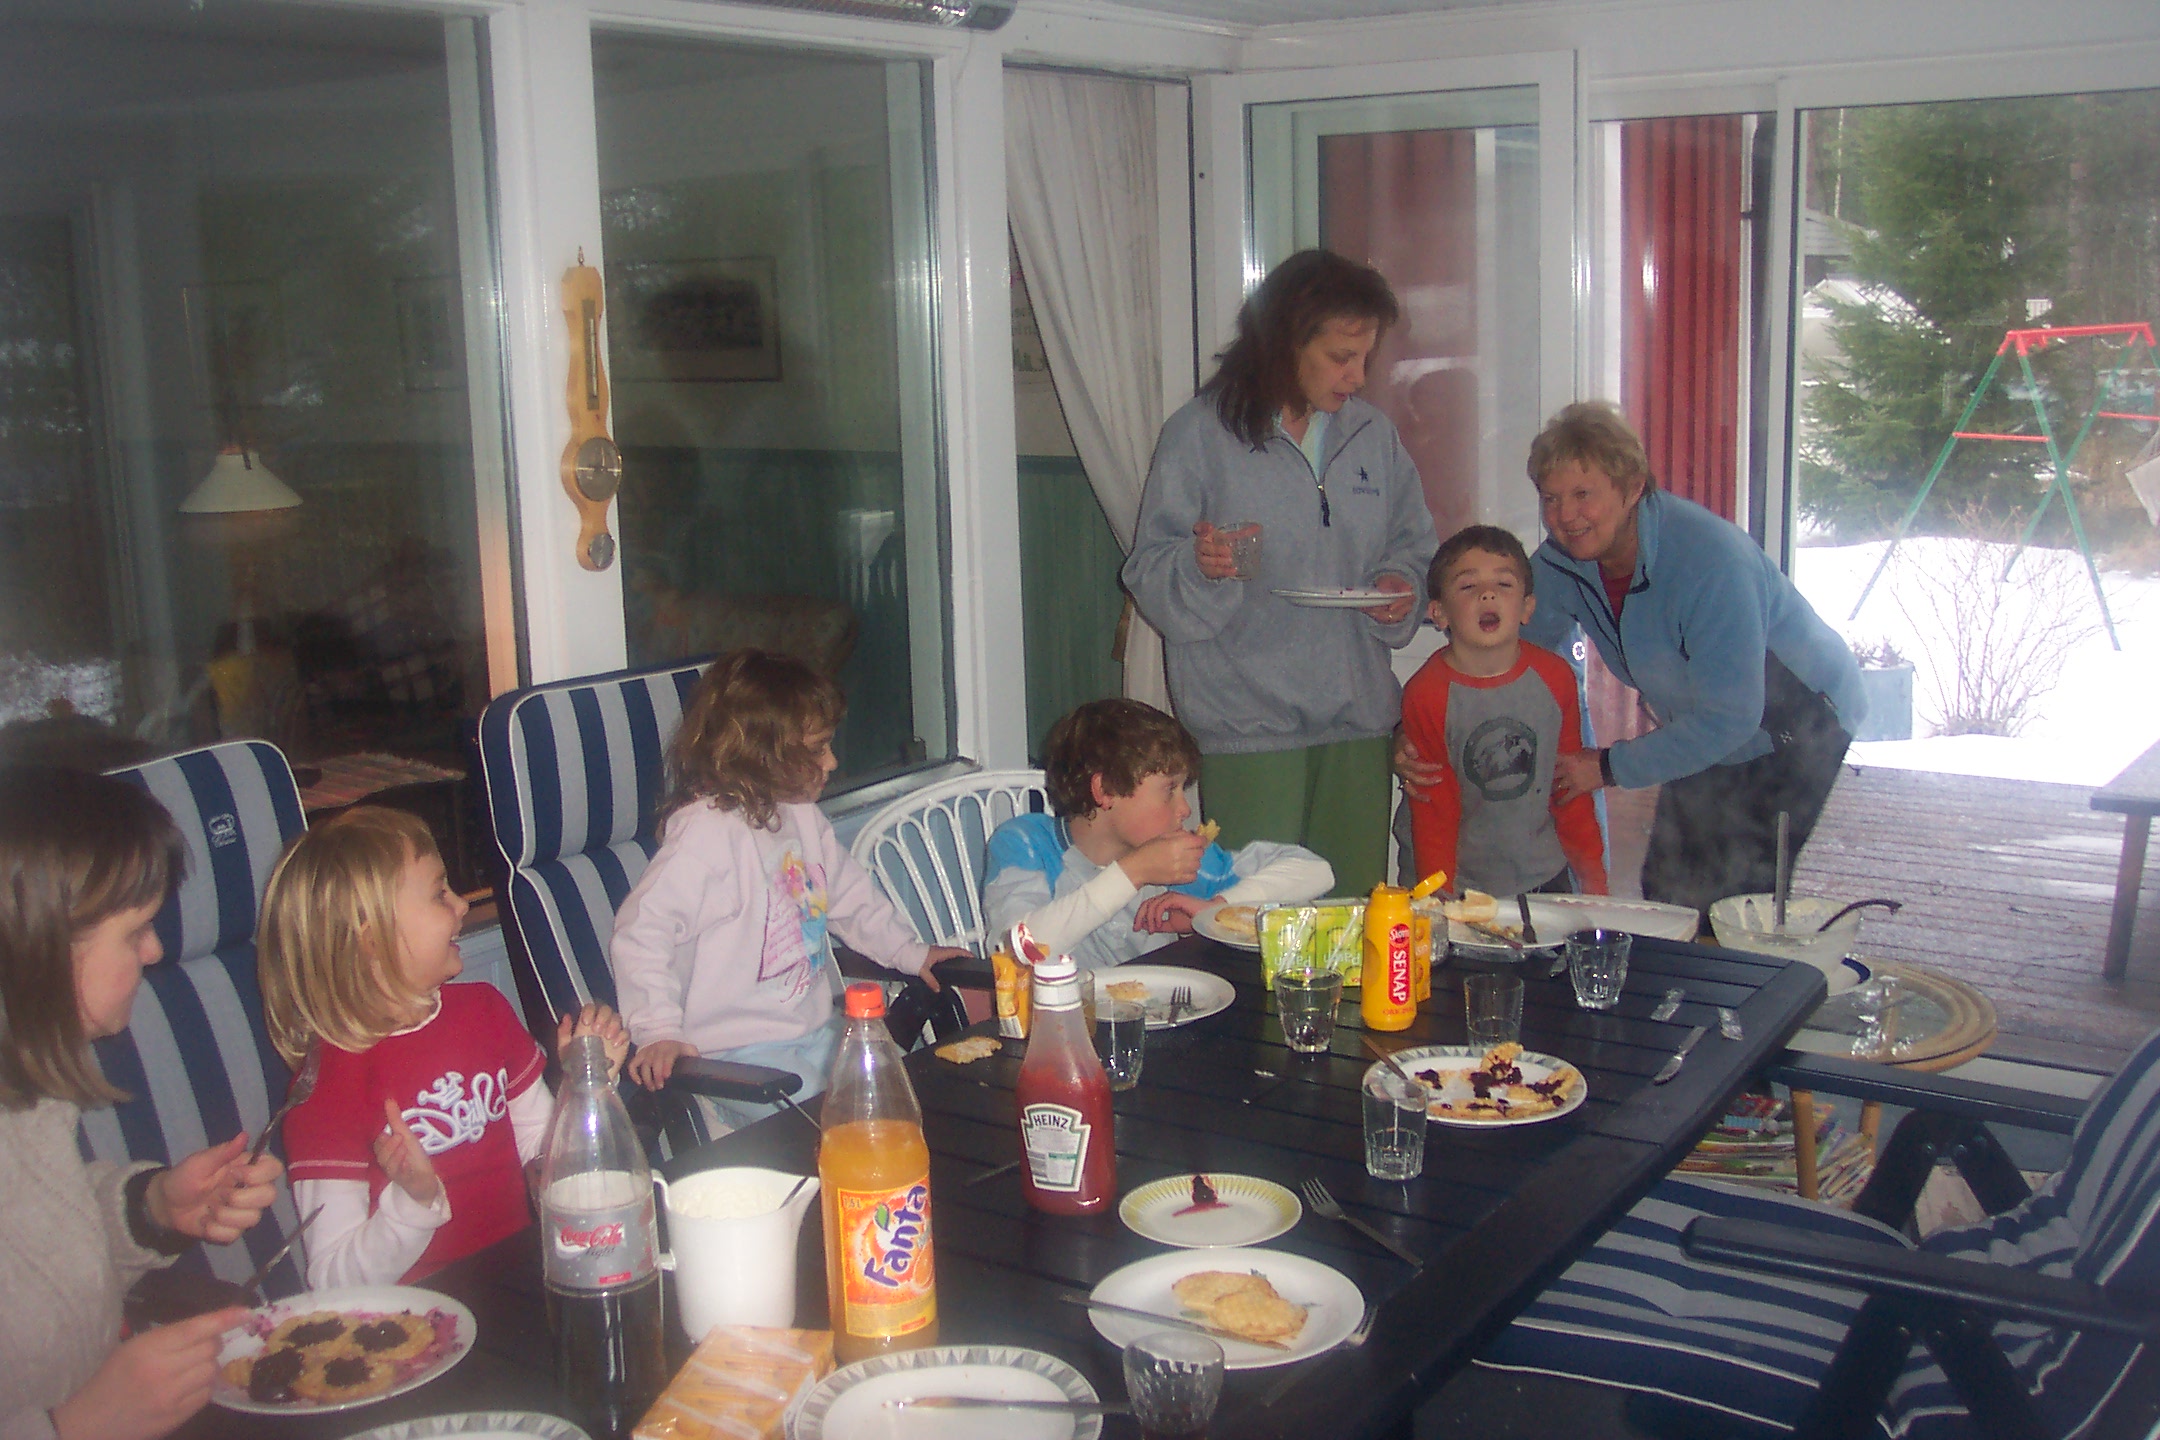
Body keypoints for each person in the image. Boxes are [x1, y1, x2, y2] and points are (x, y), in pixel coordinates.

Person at [1399, 402, 1862, 915]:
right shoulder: (1563, 562)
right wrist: (1417, 736)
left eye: (1583, 495)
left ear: (1633, 487)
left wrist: (1607, 766)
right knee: (1669, 887)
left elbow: (1733, 717)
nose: (1566, 516)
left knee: (1738, 905)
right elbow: (1503, 657)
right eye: (1551, 498)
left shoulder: (1711, 564)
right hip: (1703, 721)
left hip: (1797, 719)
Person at [1123, 249, 1438, 894]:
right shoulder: (1199, 434)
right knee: (1256, 924)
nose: (1356, 377)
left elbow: (1413, 547)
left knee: (1350, 919)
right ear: (1286, 342)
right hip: (1247, 724)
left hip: (1356, 719)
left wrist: (1399, 588)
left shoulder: (1372, 435)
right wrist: (1201, 565)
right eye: (1340, 357)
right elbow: (1149, 571)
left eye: (1365, 358)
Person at [0, 767, 282, 1440]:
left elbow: (35, 1234)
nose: (155, 951)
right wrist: (73, 1426)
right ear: (42, 946)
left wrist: (152, 1209)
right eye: (135, 932)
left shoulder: (28, 1097)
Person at [258, 806, 629, 1288]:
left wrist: (586, 1086)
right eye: (439, 894)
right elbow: (333, 1280)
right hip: (421, 1311)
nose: (461, 906)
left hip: (524, 1275)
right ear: (371, 942)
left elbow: (544, 1152)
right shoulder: (325, 1089)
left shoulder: (484, 1010)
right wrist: (412, 1202)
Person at [609, 649, 970, 1129]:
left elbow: (851, 899)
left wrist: (910, 952)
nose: (833, 761)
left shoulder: (802, 817)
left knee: (908, 1098)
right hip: (736, 1058)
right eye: (818, 748)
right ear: (762, 754)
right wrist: (658, 1031)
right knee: (849, 1126)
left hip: (818, 1033)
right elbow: (642, 932)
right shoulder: (707, 834)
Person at [982, 698, 1334, 971]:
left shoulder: (1177, 860)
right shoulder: (1026, 843)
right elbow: (1017, 952)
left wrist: (1216, 909)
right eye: (1169, 790)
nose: (1184, 809)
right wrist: (1134, 872)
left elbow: (1316, 871)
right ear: (1105, 790)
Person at [1401, 525, 1609, 898]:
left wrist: (1594, 879)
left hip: (1545, 875)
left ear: (1527, 607)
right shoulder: (1426, 693)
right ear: (1439, 613)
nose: (1488, 593)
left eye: (1504, 584)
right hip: (1458, 883)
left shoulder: (1555, 677)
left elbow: (1570, 784)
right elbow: (1433, 809)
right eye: (1468, 586)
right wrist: (1439, 900)